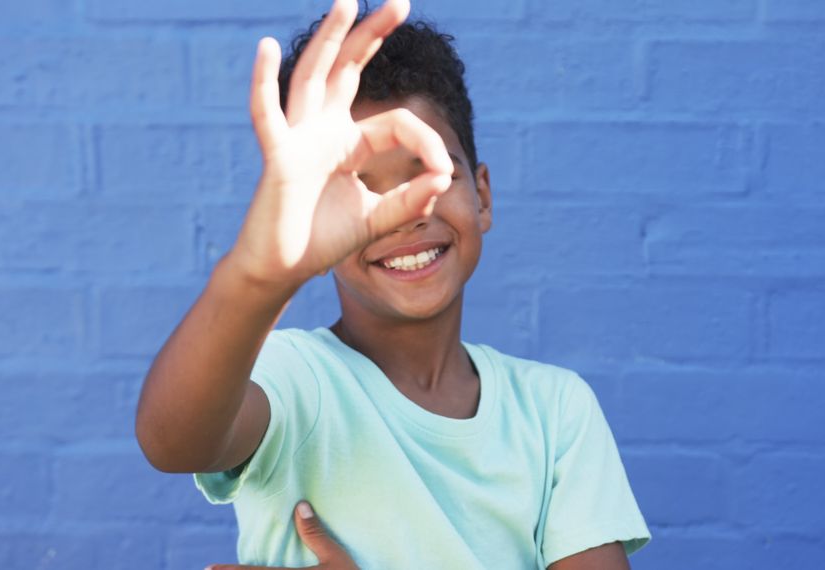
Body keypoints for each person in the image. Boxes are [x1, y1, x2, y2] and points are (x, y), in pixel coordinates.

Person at [135, 0, 651, 568]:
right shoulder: (294, 378)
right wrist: (259, 276)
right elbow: (173, 441)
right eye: (358, 187)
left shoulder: (556, 411)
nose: (403, 214)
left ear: (482, 195)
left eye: (432, 172)